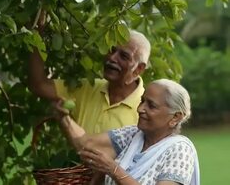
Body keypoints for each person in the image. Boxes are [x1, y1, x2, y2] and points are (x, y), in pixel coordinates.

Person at [56, 78, 200, 185]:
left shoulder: (180, 150)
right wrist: (63, 117)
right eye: (142, 101)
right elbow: (87, 146)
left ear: (176, 117)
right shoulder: (133, 135)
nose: (140, 109)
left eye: (151, 105)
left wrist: (113, 169)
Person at [28, 29, 151, 133]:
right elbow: (40, 85)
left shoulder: (145, 111)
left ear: (139, 69)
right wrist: (36, 33)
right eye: (112, 50)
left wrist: (65, 121)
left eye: (123, 56)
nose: (112, 58)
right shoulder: (87, 88)